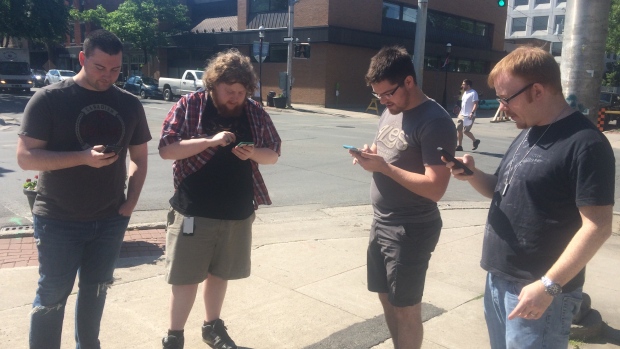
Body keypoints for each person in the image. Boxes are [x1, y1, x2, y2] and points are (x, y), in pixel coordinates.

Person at [445, 46, 615, 348]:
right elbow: (500, 187)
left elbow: (598, 226)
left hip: (540, 289)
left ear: (537, 91)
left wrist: (549, 286)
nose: (502, 107)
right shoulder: (529, 131)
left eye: (505, 98)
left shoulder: (586, 144)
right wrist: (472, 176)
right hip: (499, 279)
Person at [16, 29, 151, 349]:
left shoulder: (130, 104)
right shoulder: (49, 99)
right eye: (100, 67)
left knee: (96, 291)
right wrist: (82, 158)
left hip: (109, 218)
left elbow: (140, 158)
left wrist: (130, 202)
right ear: (82, 58)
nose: (108, 76)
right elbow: (25, 158)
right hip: (58, 218)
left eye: (116, 69)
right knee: (52, 295)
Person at [158, 48, 281, 349]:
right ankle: (174, 336)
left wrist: (253, 153)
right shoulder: (190, 105)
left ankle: (212, 327)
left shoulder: (254, 112)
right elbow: (167, 149)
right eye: (229, 91)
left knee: (220, 273)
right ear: (213, 85)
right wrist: (209, 142)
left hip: (237, 211)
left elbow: (273, 154)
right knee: (185, 277)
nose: (235, 97)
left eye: (241, 92)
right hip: (193, 210)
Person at [348, 46, 456, 349]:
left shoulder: (435, 121)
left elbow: (436, 188)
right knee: (386, 299)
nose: (383, 101)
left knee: (406, 309)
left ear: (409, 81)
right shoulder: (390, 111)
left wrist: (385, 167)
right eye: (378, 96)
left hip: (411, 228)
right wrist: (373, 158)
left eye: (388, 94)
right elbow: (391, 157)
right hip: (381, 223)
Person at [455, 79, 480, 151]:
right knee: (459, 129)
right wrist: (459, 112)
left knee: (465, 131)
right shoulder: (464, 93)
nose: (462, 85)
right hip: (461, 114)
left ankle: (475, 141)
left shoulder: (473, 93)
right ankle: (459, 146)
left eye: (463, 84)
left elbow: (476, 104)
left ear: (468, 85)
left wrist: (472, 113)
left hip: (469, 116)